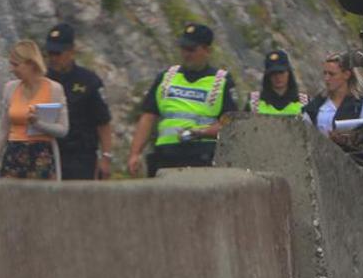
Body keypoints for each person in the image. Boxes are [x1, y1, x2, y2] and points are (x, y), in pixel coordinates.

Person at [127, 23, 238, 177]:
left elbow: (230, 125)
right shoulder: (167, 77)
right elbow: (148, 117)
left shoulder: (221, 81)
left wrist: (201, 132)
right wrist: (135, 153)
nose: (186, 54)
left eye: (192, 50)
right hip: (166, 155)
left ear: (207, 51)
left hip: (202, 156)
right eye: (183, 48)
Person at [0, 40, 69, 180]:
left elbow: (63, 129)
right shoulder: (10, 89)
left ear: (31, 64)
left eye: (16, 65)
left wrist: (38, 124)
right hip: (13, 154)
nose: (12, 69)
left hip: (41, 156)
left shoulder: (54, 89)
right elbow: (3, 130)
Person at [44, 23, 114, 180]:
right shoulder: (42, 81)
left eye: (58, 53)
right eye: (50, 53)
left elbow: (103, 122)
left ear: (71, 52)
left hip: (80, 157)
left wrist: (106, 157)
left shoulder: (89, 81)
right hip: (49, 154)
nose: (53, 58)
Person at [303, 52, 363, 151]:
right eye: (325, 73)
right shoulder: (319, 101)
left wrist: (347, 140)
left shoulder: (362, 104)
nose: (326, 78)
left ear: (346, 75)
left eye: (332, 74)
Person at [249, 49, 309, 115]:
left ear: (288, 73)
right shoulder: (254, 102)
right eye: (273, 73)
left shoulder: (304, 103)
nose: (278, 77)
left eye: (281, 72)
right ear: (267, 76)